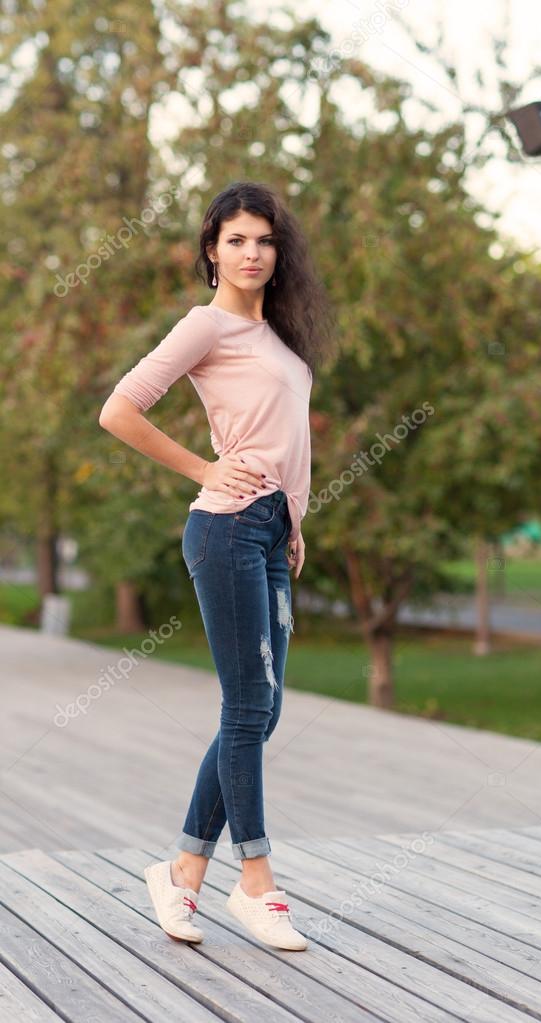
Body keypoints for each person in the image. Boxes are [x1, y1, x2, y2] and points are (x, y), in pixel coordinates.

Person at [99, 180, 334, 950]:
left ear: (278, 250)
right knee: (245, 707)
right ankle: (257, 881)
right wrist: (203, 469)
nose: (252, 252)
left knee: (262, 710)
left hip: (269, 533)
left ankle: (183, 872)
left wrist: (294, 520)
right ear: (212, 250)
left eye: (263, 239)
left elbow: (283, 434)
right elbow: (120, 409)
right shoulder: (205, 326)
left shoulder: (279, 340)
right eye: (235, 239)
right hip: (226, 529)